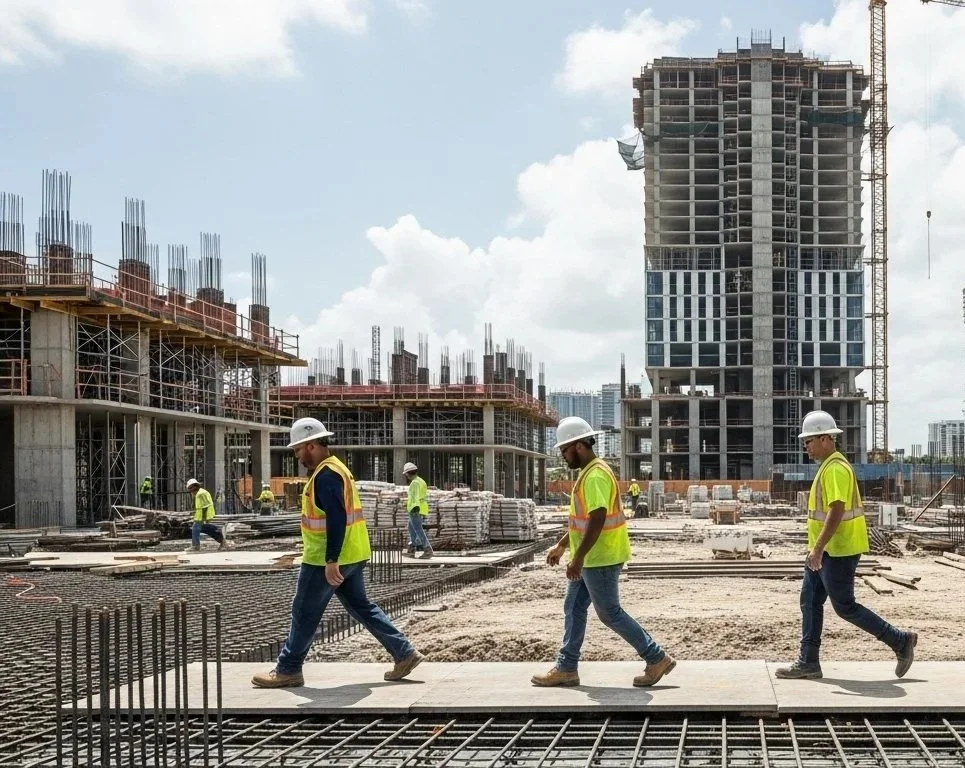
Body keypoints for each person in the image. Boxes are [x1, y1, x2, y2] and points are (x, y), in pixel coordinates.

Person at [251, 417, 424, 688]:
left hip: (326, 559)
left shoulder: (326, 475)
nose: (297, 456)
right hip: (353, 554)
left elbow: (336, 517)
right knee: (361, 607)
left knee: (305, 611)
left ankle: (288, 668)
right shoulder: (338, 469)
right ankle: (404, 652)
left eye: (298, 450)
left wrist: (331, 560)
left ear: (310, 445)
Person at [532, 416, 675, 688]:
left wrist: (578, 557)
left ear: (578, 446)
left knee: (609, 613)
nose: (563, 456)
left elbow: (597, 519)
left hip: (601, 557)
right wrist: (562, 545)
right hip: (593, 557)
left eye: (564, 450)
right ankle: (567, 667)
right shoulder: (590, 472)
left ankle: (656, 657)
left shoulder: (595, 475)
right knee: (573, 606)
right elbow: (583, 521)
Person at [775, 410, 917, 680]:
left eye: (810, 440)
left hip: (837, 550)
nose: (805, 446)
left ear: (826, 439)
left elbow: (837, 510)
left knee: (844, 606)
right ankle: (808, 662)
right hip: (825, 550)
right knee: (810, 601)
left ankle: (900, 641)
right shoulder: (827, 467)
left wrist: (818, 549)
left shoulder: (836, 469)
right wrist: (816, 549)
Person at [186, 479, 228, 551]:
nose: (190, 491)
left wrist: (200, 518)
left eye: (190, 488)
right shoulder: (200, 493)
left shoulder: (200, 494)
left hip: (203, 515)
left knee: (195, 528)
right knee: (208, 529)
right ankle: (223, 542)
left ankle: (195, 546)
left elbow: (201, 507)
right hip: (206, 514)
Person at [403, 461, 433, 559]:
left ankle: (428, 550)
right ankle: (411, 549)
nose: (406, 476)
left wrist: (414, 508)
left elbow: (415, 497)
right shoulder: (421, 481)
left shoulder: (414, 483)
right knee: (411, 529)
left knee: (418, 530)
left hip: (415, 509)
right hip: (420, 508)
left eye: (406, 474)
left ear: (408, 473)